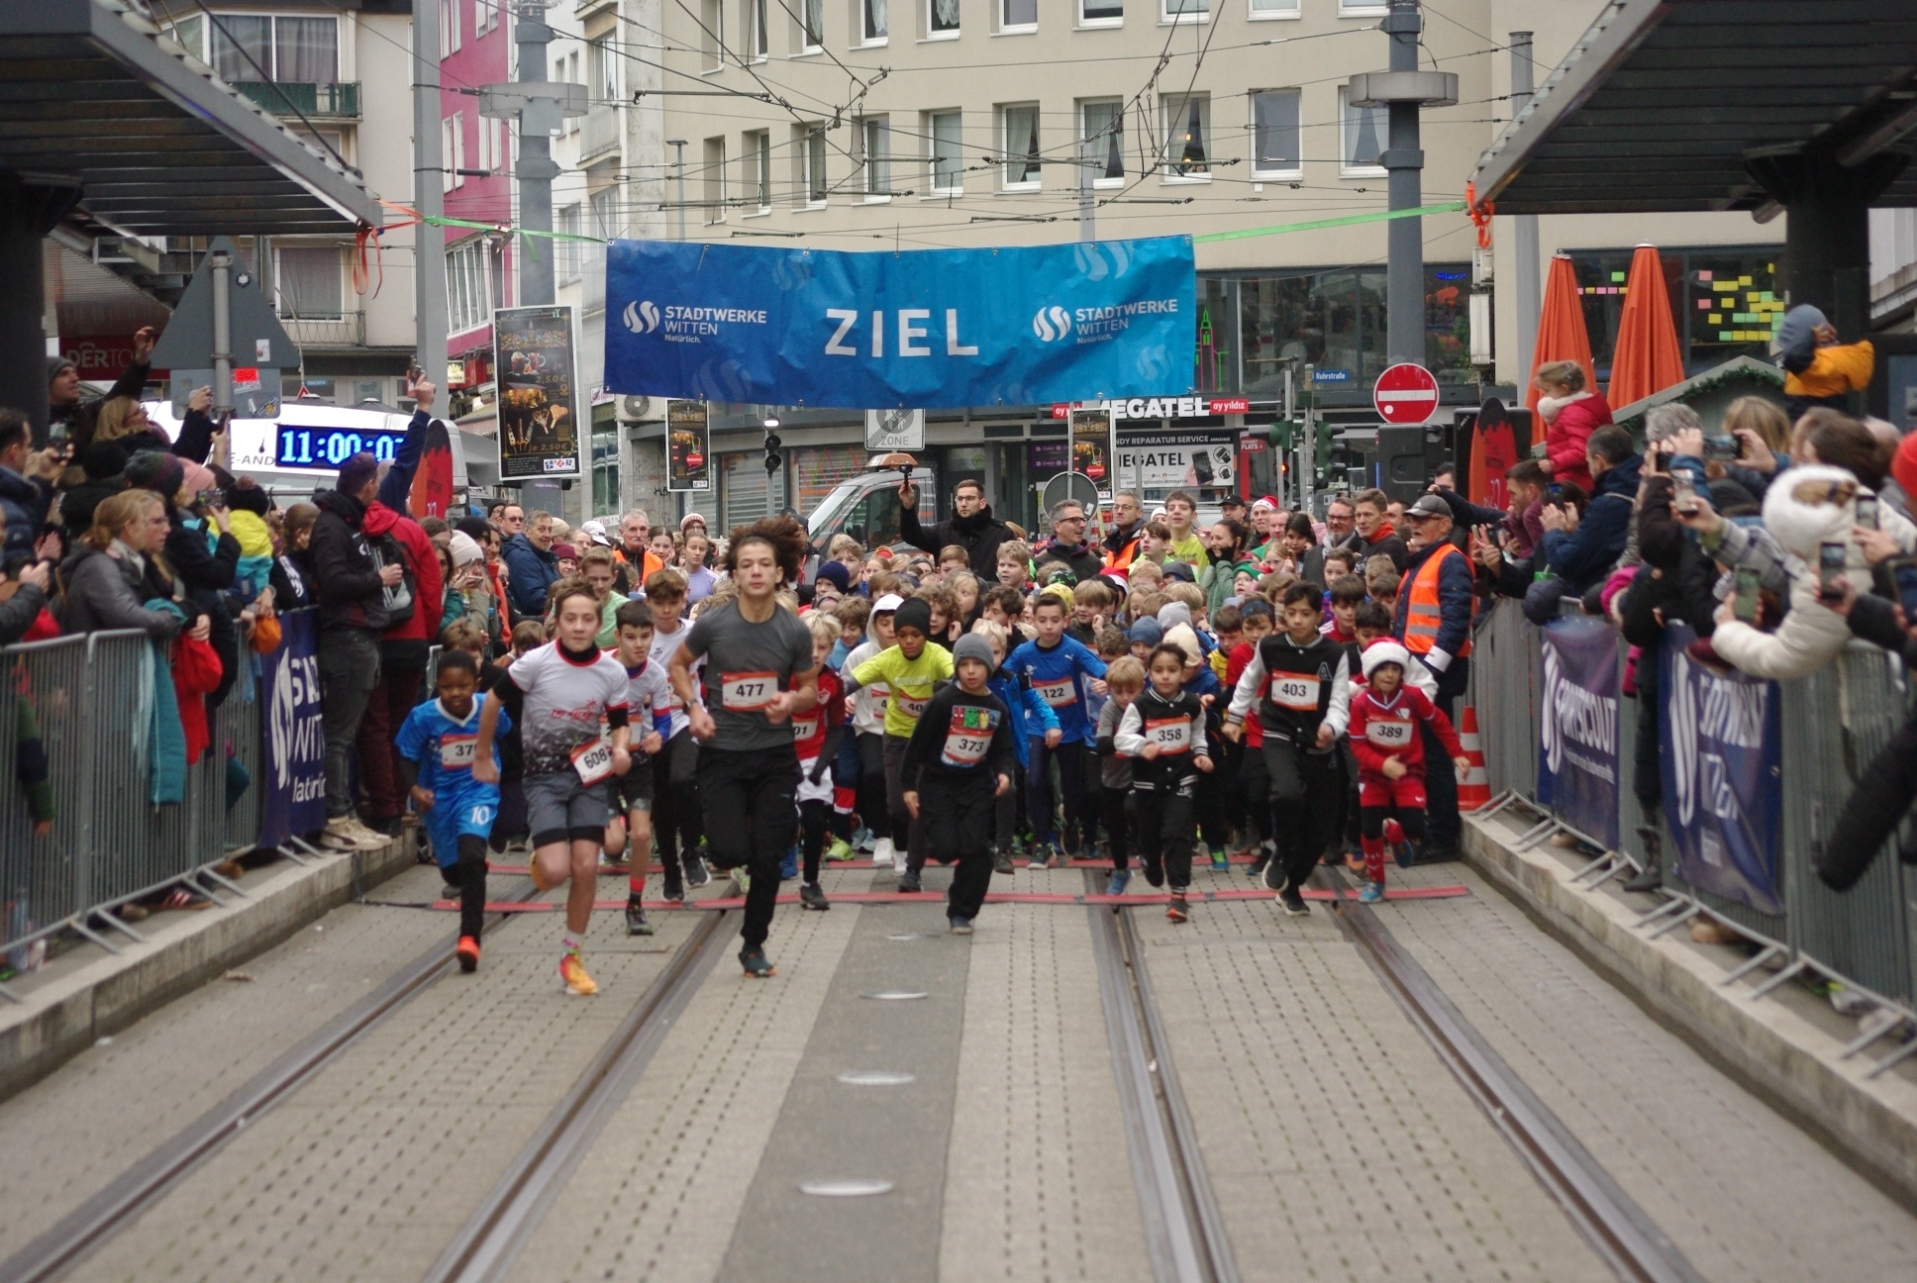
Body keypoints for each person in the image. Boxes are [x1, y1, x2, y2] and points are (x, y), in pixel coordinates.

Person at [670, 517, 819, 979]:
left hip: (774, 754)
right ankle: (729, 853)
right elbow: (678, 665)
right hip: (723, 754)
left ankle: (754, 943)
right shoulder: (714, 624)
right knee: (730, 850)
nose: (755, 572)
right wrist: (694, 707)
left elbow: (812, 691)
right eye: (746, 565)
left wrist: (790, 699)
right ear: (733, 573)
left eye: (765, 565)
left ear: (780, 573)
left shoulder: (793, 631)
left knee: (769, 853)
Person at [474, 580, 632, 996]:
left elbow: (619, 724)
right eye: (570, 619)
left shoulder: (611, 671)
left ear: (599, 623)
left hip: (589, 776)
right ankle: (543, 861)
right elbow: (492, 701)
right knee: (556, 870)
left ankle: (572, 955)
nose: (579, 626)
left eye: (587, 619)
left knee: (585, 867)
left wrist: (619, 749)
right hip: (542, 776)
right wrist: (483, 754)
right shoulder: (536, 664)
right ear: (557, 623)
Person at [1223, 581, 1350, 916]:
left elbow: (1339, 702)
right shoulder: (1271, 647)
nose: (1297, 621)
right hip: (1278, 732)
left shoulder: (1334, 654)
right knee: (1287, 792)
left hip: (1317, 743)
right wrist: (1234, 718)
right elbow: (1248, 682)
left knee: (1320, 829)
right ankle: (1279, 850)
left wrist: (1331, 727)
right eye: (1290, 613)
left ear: (1318, 615)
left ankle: (1292, 885)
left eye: (1305, 614)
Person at [308, 452, 403, 852]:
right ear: (369, 486)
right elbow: (331, 579)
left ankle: (344, 813)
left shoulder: (348, 524)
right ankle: (336, 817)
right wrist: (375, 578)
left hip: (362, 635)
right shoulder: (333, 526)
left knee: (347, 735)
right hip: (347, 636)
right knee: (340, 736)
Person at [394, 651, 504, 973]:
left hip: (478, 791)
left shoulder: (488, 708)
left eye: (463, 686)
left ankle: (470, 938)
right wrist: (414, 791)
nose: (455, 693)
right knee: (454, 872)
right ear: (437, 687)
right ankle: (469, 868)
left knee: (471, 855)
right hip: (438, 800)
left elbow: (508, 737)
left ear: (477, 684)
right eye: (446, 687)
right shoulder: (422, 717)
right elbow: (405, 757)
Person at [901, 632, 1017, 933]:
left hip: (976, 784)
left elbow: (1003, 749)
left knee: (976, 849)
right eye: (963, 664)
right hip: (938, 783)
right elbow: (917, 745)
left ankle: (962, 912)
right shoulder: (942, 702)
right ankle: (932, 839)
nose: (970, 671)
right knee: (946, 847)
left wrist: (1004, 773)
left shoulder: (997, 709)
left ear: (988, 667)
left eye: (977, 664)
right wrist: (909, 787)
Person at [1347, 641, 1470, 904]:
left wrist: (1457, 752)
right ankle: (1376, 881)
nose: (1390, 675)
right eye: (1383, 669)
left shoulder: (1413, 697)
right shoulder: (1360, 703)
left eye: (1395, 669)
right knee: (1369, 828)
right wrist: (1382, 765)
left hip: (1409, 773)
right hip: (1373, 776)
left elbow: (1439, 722)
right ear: (1370, 673)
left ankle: (1398, 838)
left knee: (1414, 825)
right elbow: (1357, 744)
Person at [846, 596, 955, 893]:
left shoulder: (936, 655)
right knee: (897, 804)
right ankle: (901, 849)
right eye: (902, 634)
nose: (908, 641)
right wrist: (837, 694)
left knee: (917, 801)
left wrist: (947, 686)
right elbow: (852, 681)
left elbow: (956, 674)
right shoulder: (887, 659)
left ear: (926, 635)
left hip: (929, 740)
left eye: (915, 635)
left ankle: (913, 870)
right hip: (895, 737)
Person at [357, 482, 445, 836]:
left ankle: (384, 809)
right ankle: (399, 798)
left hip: (370, 636)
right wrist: (425, 631)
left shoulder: (352, 530)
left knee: (373, 726)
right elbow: (431, 590)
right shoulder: (411, 529)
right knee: (402, 725)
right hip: (410, 639)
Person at [1392, 493, 1476, 861]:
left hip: (1432, 673)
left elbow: (1455, 621)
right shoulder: (1424, 561)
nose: (1415, 524)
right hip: (1420, 670)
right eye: (1413, 518)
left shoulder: (1449, 562)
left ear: (1444, 525)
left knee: (1436, 755)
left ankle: (1443, 837)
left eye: (1423, 519)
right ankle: (1432, 830)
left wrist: (1429, 672)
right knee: (1426, 754)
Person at [1005, 587, 1109, 867]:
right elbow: (1003, 676)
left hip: (1072, 728)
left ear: (1065, 620)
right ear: (1034, 622)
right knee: (1036, 781)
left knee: (1071, 787)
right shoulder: (1024, 653)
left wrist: (1105, 682)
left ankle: (1070, 822)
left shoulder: (1073, 650)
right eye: (1042, 620)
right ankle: (1042, 841)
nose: (1049, 626)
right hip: (1038, 726)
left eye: (1054, 620)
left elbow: (1104, 671)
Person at [1115, 642, 1214, 922]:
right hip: (1148, 782)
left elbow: (1197, 734)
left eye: (1172, 670)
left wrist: (1201, 755)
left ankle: (1179, 896)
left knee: (1178, 833)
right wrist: (1142, 745)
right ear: (1149, 673)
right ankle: (1150, 859)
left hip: (1182, 778)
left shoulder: (1191, 704)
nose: (1166, 676)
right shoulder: (1141, 705)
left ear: (1183, 672)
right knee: (1151, 835)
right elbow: (1123, 737)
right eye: (1159, 670)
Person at [603, 599, 672, 936]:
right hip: (598, 766)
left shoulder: (655, 675)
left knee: (642, 834)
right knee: (615, 845)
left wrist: (658, 736)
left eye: (646, 636)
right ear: (617, 636)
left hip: (637, 762)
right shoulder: (599, 668)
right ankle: (609, 824)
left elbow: (663, 720)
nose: (640, 644)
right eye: (631, 637)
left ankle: (635, 903)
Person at [644, 570, 707, 896]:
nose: (667, 610)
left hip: (684, 721)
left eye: (673, 603)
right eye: (659, 604)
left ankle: (691, 850)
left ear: (684, 600)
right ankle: (670, 870)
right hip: (651, 728)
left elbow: (716, 669)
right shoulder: (643, 637)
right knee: (662, 803)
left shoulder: (695, 633)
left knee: (685, 780)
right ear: (649, 603)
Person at [56, 490, 191, 638]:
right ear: (128, 527)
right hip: (99, 657)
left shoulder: (116, 561)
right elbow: (123, 614)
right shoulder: (99, 565)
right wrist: (172, 617)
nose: (145, 529)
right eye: (144, 523)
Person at [793, 610, 849, 911]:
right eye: (809, 646)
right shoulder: (782, 675)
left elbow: (837, 728)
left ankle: (810, 883)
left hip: (812, 758)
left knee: (815, 820)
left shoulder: (832, 683)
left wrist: (819, 766)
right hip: (777, 759)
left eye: (823, 647)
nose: (815, 654)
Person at [48, 325, 156, 443]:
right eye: (64, 374)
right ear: (46, 384)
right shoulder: (33, 422)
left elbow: (121, 393)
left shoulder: (86, 415)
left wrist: (141, 359)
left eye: (74, 373)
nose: (75, 379)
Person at [898, 476, 1015, 580]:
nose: (963, 503)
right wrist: (908, 507)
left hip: (988, 598)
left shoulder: (1001, 533)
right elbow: (911, 535)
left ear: (982, 503)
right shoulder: (943, 531)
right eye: (959, 499)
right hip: (950, 598)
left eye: (969, 498)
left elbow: (1012, 566)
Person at [1093, 655, 1143, 894]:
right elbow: (1101, 745)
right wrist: (1131, 743)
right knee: (1115, 830)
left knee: (1133, 810)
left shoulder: (1145, 707)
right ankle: (1122, 870)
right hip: (1112, 778)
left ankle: (1146, 850)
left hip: (1139, 777)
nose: (1125, 698)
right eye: (1118, 691)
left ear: (1140, 689)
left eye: (1130, 692)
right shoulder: (1109, 709)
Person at [1774, 303, 1873, 419]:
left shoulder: (1825, 362)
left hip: (1818, 432)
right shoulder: (1830, 359)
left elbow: (1793, 356)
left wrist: (1809, 337)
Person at [1534, 360, 1610, 493]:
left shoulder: (1573, 413)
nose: (1544, 397)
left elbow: (1581, 450)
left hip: (1575, 483)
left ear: (1564, 389)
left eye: (1547, 391)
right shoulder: (1578, 409)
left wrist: (1553, 464)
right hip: (1577, 480)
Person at [502, 509, 560, 618]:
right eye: (541, 529)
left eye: (550, 529)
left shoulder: (542, 555)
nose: (547, 535)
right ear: (527, 531)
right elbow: (535, 600)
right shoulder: (522, 557)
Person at [1034, 500, 1104, 585]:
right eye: (1075, 520)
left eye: (1083, 520)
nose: (1082, 525)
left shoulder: (1094, 563)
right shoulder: (1040, 563)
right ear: (1058, 526)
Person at [1351, 489, 1408, 573]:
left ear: (1383, 517)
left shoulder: (1392, 545)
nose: (1361, 521)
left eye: (1367, 515)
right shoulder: (1367, 543)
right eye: (1358, 515)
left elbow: (1378, 584)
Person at [1161, 490, 1208, 568]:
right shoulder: (1157, 545)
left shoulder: (1204, 544)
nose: (1176, 511)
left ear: (1193, 516)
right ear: (1166, 516)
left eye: (1183, 508)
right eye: (1171, 508)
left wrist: (1211, 549)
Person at [1103, 491, 1147, 573]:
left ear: (1139, 513)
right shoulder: (1114, 540)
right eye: (1116, 507)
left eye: (1126, 507)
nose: (1119, 511)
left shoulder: (1144, 543)